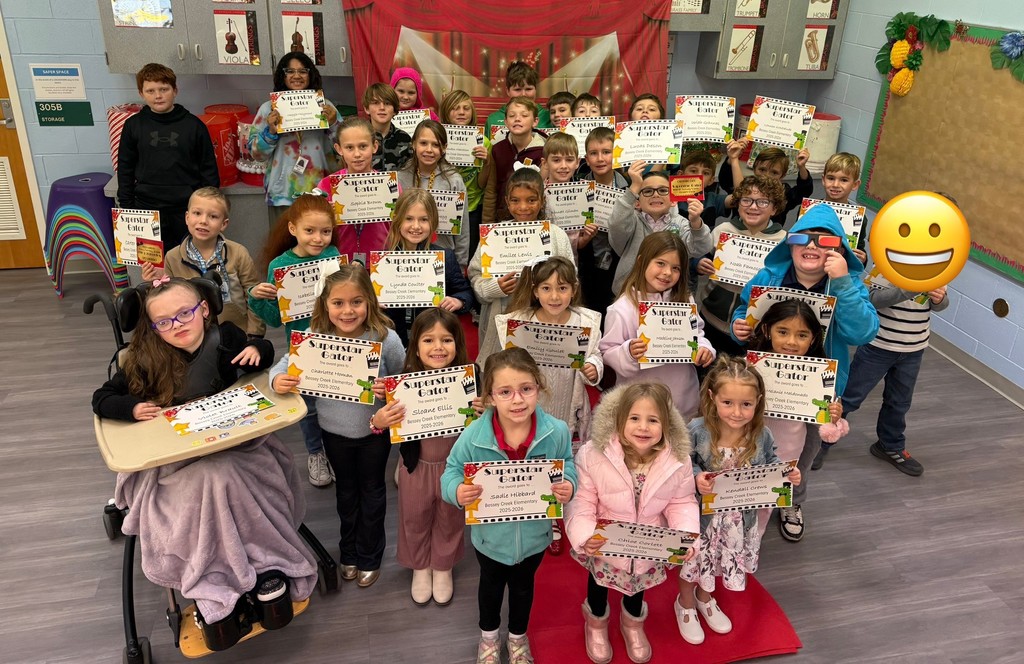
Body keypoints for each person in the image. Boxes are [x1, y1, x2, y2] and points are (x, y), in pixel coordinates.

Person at [92, 277, 316, 642]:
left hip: (234, 445)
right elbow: (102, 398)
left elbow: (264, 352)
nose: (176, 325)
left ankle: (264, 565)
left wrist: (259, 349)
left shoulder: (225, 338)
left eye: (185, 313)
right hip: (179, 460)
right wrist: (131, 407)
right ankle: (218, 578)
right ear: (151, 327)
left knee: (230, 473)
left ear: (205, 309)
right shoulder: (143, 360)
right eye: (163, 321)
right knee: (215, 478)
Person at [731, 205, 878, 540]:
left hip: (816, 390)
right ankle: (744, 496)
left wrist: (841, 281)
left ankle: (791, 500)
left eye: (823, 241)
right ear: (790, 244)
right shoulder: (770, 276)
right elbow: (743, 311)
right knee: (750, 442)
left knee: (803, 452)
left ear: (839, 248)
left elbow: (862, 332)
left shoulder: (849, 283)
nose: (811, 247)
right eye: (802, 238)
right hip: (763, 382)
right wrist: (736, 326)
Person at [271, 265, 406, 588]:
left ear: (369, 304)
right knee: (346, 492)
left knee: (372, 492)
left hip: (375, 432)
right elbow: (280, 365)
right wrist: (278, 379)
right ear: (325, 305)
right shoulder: (313, 339)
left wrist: (389, 386)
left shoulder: (386, 339)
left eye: (357, 302)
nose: (348, 311)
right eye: (339, 303)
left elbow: (406, 377)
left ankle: (370, 554)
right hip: (332, 433)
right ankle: (349, 550)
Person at [440, 348, 577, 664]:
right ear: (489, 396)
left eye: (526, 389)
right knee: (489, 589)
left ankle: (517, 637)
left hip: (535, 538)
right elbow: (451, 469)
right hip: (490, 541)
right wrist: (456, 491)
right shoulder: (474, 436)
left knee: (523, 590)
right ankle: (488, 637)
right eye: (505, 392)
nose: (518, 400)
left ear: (538, 388)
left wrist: (569, 484)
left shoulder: (554, 431)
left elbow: (567, 463)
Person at [566, 383, 699, 664]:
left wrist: (685, 536)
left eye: (653, 420)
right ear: (620, 419)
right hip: (604, 545)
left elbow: (682, 502)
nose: (643, 427)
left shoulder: (677, 460)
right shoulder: (593, 454)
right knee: (598, 584)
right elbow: (582, 500)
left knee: (638, 587)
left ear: (666, 424)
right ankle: (597, 622)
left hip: (648, 546)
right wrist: (585, 534)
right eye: (634, 418)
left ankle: (632, 624)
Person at [477, 256, 602, 556]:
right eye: (546, 288)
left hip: (565, 401)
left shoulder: (586, 323)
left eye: (562, 288)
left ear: (574, 289)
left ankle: (553, 510)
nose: (554, 296)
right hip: (526, 405)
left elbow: (596, 355)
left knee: (555, 455)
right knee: (527, 452)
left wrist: (593, 369)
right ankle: (528, 502)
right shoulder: (519, 323)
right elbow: (499, 363)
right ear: (535, 291)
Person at [677, 356, 801, 645]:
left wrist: (787, 475)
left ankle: (705, 598)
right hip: (701, 518)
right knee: (694, 562)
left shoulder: (762, 434)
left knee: (719, 560)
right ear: (712, 397)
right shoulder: (696, 430)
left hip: (737, 520)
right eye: (728, 402)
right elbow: (681, 465)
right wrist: (696, 478)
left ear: (758, 401)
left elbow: (772, 464)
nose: (737, 412)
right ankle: (684, 604)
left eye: (746, 404)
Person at [379, 309, 482, 606]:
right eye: (428, 340)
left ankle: (443, 565)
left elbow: (488, 425)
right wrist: (380, 420)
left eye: (447, 340)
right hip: (416, 466)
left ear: (458, 343)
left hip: (454, 469)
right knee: (414, 516)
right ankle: (420, 566)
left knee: (450, 518)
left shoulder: (472, 377)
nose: (438, 347)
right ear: (416, 346)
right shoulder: (403, 382)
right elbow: (383, 426)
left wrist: (484, 411)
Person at [248, 194, 341, 487]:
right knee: (310, 406)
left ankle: (337, 451)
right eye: (309, 231)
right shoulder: (280, 265)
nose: (318, 238)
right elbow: (275, 319)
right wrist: (257, 298)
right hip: (301, 347)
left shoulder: (334, 257)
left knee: (336, 400)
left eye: (325, 231)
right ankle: (315, 452)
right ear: (293, 230)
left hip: (339, 345)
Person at [813, 276, 948, 476]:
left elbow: (941, 304)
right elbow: (872, 299)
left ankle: (890, 444)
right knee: (849, 396)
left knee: (899, 401)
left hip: (914, 347)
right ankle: (821, 442)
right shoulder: (883, 269)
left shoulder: (932, 269)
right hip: (878, 346)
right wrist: (912, 288)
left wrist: (939, 299)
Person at [747, 299, 843, 535]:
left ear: (813, 339)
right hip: (748, 448)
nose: (791, 341)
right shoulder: (748, 368)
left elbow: (827, 430)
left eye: (802, 335)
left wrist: (834, 417)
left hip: (789, 449)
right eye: (782, 332)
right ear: (766, 330)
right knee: (747, 493)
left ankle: (771, 521)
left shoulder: (820, 377)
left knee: (776, 489)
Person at [600, 231, 716, 419]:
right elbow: (607, 351)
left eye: (676, 268)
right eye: (660, 263)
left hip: (683, 400)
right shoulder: (622, 308)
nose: (667, 273)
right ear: (641, 261)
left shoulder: (685, 300)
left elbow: (697, 333)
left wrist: (704, 348)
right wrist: (628, 352)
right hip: (641, 404)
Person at [469, 168, 575, 350]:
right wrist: (495, 287)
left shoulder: (557, 236)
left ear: (542, 201)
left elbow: (572, 279)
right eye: (515, 200)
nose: (523, 207)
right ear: (507, 202)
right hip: (501, 315)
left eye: (531, 200)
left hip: (546, 321)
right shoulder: (493, 235)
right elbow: (475, 277)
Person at [117, 63, 218, 250]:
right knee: (153, 269)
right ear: (141, 93)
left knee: (192, 263)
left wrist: (208, 207)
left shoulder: (194, 126)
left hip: (187, 210)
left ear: (175, 90)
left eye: (164, 89)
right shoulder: (133, 126)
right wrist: (127, 207)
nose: (158, 96)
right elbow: (125, 168)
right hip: (146, 209)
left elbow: (208, 169)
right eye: (150, 90)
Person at [142, 187, 265, 337]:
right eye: (197, 213)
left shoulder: (238, 253)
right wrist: (154, 282)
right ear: (187, 217)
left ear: (224, 224)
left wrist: (254, 334)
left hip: (236, 332)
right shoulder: (173, 257)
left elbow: (254, 294)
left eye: (213, 216)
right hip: (192, 336)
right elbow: (168, 301)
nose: (203, 221)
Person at [696, 175, 787, 357]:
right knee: (707, 372)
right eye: (746, 200)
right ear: (738, 204)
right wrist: (699, 264)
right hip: (712, 317)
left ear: (774, 208)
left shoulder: (783, 241)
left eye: (762, 202)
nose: (753, 207)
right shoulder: (723, 231)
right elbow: (702, 256)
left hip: (752, 326)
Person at [248, 52, 339, 224]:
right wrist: (270, 132)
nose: (296, 76)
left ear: (310, 74)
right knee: (283, 246)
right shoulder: (268, 110)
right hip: (282, 193)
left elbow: (345, 146)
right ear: (283, 76)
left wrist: (334, 123)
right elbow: (256, 155)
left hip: (321, 190)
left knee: (320, 243)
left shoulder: (326, 107)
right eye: (290, 71)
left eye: (303, 71)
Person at [380, 189, 475, 344]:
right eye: (409, 219)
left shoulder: (445, 257)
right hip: (393, 338)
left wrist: (459, 301)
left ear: (433, 222)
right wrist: (373, 303)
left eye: (423, 219)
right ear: (397, 220)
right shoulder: (382, 261)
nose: (416, 226)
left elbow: (465, 291)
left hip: (432, 340)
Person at [608, 162, 712, 296]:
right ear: (637, 202)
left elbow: (700, 248)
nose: (655, 195)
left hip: (668, 297)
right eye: (647, 191)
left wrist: (696, 222)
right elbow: (616, 225)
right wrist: (633, 187)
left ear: (673, 200)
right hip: (629, 293)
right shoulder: (631, 221)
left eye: (663, 190)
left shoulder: (681, 224)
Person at [311, 116, 392, 264]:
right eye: (349, 147)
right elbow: (312, 228)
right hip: (338, 262)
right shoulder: (326, 185)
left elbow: (397, 227)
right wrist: (325, 216)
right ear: (339, 149)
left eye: (363, 146)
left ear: (374, 146)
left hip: (380, 263)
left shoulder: (390, 185)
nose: (357, 154)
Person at [397, 120, 470, 270]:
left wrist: (461, 263)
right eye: (423, 143)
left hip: (444, 258)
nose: (429, 150)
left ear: (444, 148)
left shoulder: (454, 180)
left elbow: (463, 228)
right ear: (414, 144)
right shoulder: (400, 178)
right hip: (406, 260)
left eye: (436, 145)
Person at [578, 126, 628, 314]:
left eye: (606, 152)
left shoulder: (629, 189)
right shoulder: (577, 189)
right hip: (588, 264)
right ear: (587, 159)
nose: (600, 158)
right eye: (594, 153)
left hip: (619, 265)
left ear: (616, 155)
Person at [439, 90, 491, 265]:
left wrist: (486, 161)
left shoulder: (483, 142)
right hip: (443, 207)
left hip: (472, 208)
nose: (461, 112)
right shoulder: (438, 140)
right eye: (455, 108)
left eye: (466, 108)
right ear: (446, 111)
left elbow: (481, 184)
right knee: (445, 255)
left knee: (469, 257)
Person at [482, 97, 548, 226]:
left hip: (535, 220)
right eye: (512, 116)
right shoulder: (497, 150)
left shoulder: (545, 151)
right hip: (502, 219)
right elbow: (491, 191)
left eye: (524, 115)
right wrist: (487, 223)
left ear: (535, 121)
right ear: (506, 122)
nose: (517, 119)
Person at [718, 139, 812, 227]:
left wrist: (802, 167)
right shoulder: (744, 185)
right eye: (762, 169)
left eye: (774, 172)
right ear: (754, 168)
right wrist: (732, 158)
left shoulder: (784, 192)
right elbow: (726, 181)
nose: (766, 175)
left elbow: (803, 192)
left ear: (782, 175)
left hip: (770, 239)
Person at [542, 132, 599, 259]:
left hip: (570, 266)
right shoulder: (537, 195)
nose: (563, 166)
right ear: (545, 163)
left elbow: (577, 244)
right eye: (556, 160)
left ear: (577, 162)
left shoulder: (585, 196)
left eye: (569, 160)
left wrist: (586, 238)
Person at [484, 60, 553, 136]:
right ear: (507, 91)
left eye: (528, 89)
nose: (523, 94)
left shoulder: (550, 117)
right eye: (517, 89)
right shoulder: (493, 119)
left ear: (536, 89)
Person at [820, 152, 866, 263]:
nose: (835, 184)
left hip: (840, 273)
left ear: (855, 185)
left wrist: (863, 259)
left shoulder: (859, 218)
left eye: (844, 180)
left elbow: (858, 248)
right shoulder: (809, 210)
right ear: (823, 180)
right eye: (831, 178)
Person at [363, 82, 412, 173]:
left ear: (395, 110)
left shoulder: (405, 139)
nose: (382, 107)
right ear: (367, 109)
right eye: (375, 103)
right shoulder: (359, 137)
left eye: (387, 103)